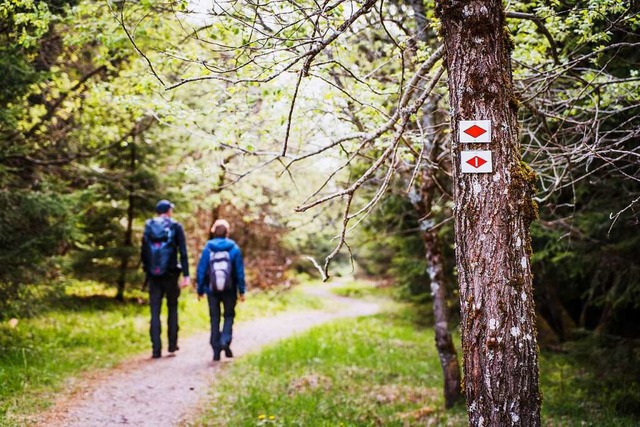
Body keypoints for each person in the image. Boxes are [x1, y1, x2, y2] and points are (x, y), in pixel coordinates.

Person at [141, 199, 190, 359]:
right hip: (170, 274)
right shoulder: (176, 226)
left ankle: (156, 349)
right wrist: (186, 275)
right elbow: (182, 252)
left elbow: (143, 251)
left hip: (153, 275)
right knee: (172, 308)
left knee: (155, 311)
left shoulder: (149, 226)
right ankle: (172, 345)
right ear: (168, 211)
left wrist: (148, 271)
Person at [196, 219, 246, 361]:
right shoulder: (234, 248)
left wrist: (200, 289)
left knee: (214, 318)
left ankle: (216, 350)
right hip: (230, 290)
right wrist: (241, 290)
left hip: (211, 290)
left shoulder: (208, 248)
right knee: (229, 315)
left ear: (213, 232)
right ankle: (225, 340)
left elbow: (202, 270)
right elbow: (239, 271)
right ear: (227, 232)